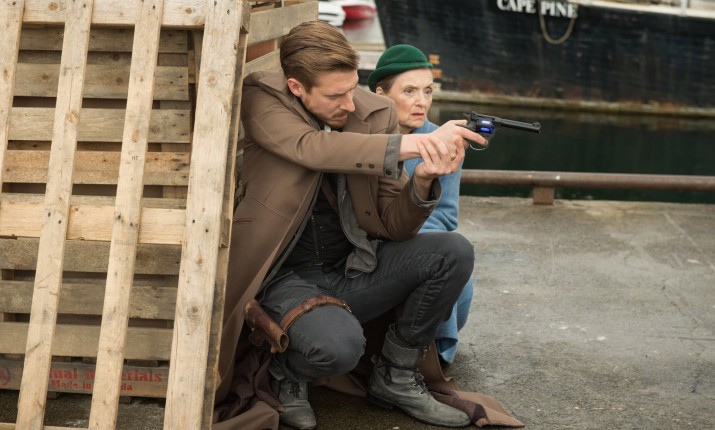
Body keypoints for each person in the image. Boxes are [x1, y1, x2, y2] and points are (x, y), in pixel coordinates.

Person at [215, 21, 487, 430]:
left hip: (351, 267)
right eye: (335, 95)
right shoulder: (264, 97)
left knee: (453, 251)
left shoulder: (375, 112)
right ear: (296, 87)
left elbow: (394, 224)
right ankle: (287, 372)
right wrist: (414, 143)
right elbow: (311, 147)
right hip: (282, 277)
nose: (349, 103)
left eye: (353, 88)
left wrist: (422, 181)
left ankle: (395, 376)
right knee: (339, 348)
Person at [368, 44, 474, 365]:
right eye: (409, 91)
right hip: (368, 246)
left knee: (452, 259)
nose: (422, 101)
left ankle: (432, 352)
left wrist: (411, 232)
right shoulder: (361, 139)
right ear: (381, 94)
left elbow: (446, 216)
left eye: (427, 91)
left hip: (417, 239)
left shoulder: (445, 140)